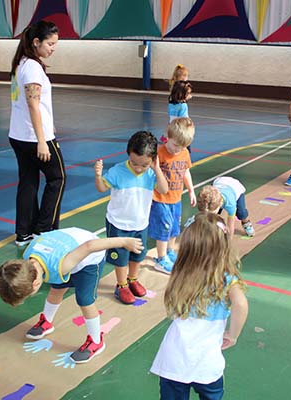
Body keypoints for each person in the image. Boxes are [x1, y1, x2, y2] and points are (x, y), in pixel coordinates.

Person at [0, 229, 143, 364]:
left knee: (85, 301)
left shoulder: (61, 265)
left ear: (35, 284)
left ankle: (96, 342)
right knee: (56, 289)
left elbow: (90, 246)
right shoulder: (29, 258)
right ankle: (46, 322)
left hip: (89, 257)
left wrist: (124, 242)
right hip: (67, 247)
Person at [150, 212, 248, 400]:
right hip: (207, 364)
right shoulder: (226, 280)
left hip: (173, 361)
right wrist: (233, 335)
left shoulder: (180, 274)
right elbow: (241, 304)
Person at [94, 131, 169, 305]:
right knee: (121, 258)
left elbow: (164, 190)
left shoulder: (151, 173)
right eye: (134, 163)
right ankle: (121, 285)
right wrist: (98, 176)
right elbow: (101, 188)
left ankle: (133, 279)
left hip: (140, 223)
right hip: (118, 223)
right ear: (128, 154)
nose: (138, 168)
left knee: (137, 255)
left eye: (144, 164)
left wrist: (156, 168)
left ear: (153, 160)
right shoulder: (117, 171)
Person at [9, 21, 66, 247]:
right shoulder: (32, 67)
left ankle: (24, 233)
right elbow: (33, 104)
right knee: (58, 178)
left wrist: (48, 124)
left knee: (28, 181)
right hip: (34, 138)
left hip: (18, 135)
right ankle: (44, 229)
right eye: (50, 44)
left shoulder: (21, 63)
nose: (53, 48)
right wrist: (42, 141)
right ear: (36, 42)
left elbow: (33, 105)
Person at [150, 117, 196, 274]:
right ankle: (161, 259)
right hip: (160, 198)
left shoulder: (183, 153)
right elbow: (150, 174)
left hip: (176, 198)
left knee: (175, 228)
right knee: (164, 226)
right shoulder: (159, 153)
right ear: (167, 137)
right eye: (175, 145)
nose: (178, 150)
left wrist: (190, 190)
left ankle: (170, 251)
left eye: (183, 146)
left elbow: (185, 172)